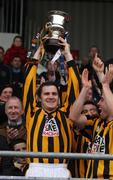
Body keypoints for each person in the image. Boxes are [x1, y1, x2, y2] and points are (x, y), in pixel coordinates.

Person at [23, 37, 81, 178]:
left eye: (54, 94)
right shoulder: (32, 112)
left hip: (61, 169)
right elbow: (29, 80)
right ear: (39, 97)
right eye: (46, 93)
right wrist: (40, 48)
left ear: (59, 97)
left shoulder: (66, 113)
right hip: (35, 169)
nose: (51, 96)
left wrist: (67, 54)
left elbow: (75, 86)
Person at [69, 54, 113, 179]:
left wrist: (105, 85)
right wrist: (85, 89)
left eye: (102, 100)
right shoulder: (96, 122)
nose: (98, 103)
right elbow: (73, 117)